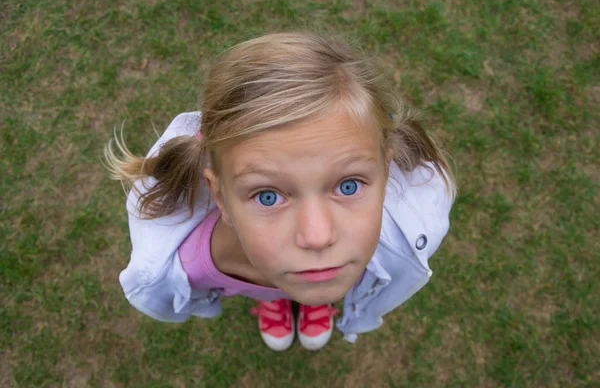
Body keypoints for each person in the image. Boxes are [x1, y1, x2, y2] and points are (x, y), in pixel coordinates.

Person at [104, 30, 456, 351]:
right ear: (221, 196)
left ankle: (313, 301)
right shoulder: (190, 265)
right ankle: (276, 298)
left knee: (303, 273)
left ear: (385, 171)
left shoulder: (409, 232)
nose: (317, 236)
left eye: (348, 186)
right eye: (268, 196)